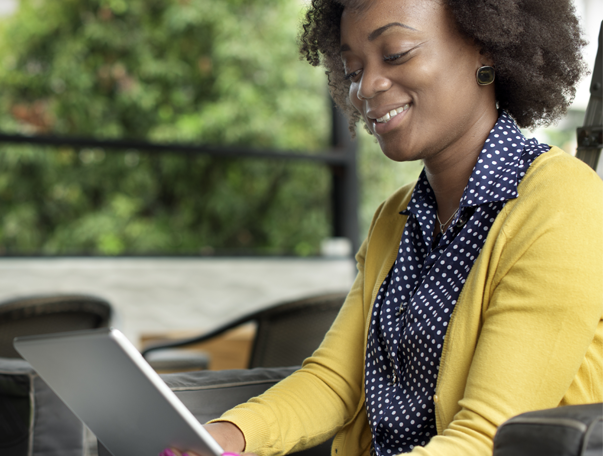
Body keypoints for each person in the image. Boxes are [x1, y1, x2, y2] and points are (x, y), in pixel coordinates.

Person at [177, 0, 603, 455]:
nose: (368, 86)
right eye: (353, 68)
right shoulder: (395, 216)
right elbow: (335, 382)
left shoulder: (562, 202)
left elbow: (486, 439)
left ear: (485, 48)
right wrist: (220, 440)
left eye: (396, 53)